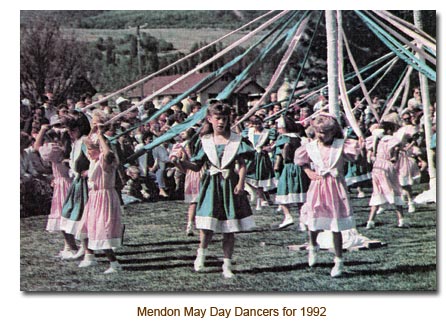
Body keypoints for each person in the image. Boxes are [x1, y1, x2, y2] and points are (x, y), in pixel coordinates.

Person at [174, 102, 256, 278]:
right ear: (210, 119)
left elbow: (242, 164)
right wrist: (180, 162)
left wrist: (241, 182)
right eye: (218, 119)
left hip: (229, 185)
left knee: (229, 227)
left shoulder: (236, 140)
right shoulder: (204, 141)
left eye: (224, 119)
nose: (221, 122)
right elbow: (196, 166)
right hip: (211, 186)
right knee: (207, 226)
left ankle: (227, 264)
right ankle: (201, 255)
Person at [294, 113, 362, 277]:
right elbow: (300, 161)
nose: (322, 136)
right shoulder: (310, 147)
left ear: (333, 132)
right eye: (319, 133)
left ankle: (338, 260)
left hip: (335, 187)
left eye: (326, 133)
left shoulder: (340, 145)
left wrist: (361, 148)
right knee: (314, 221)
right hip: (318, 186)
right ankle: (312, 245)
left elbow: (354, 158)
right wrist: (308, 171)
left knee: (335, 225)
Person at [75, 124, 123, 274]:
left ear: (99, 149)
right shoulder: (93, 161)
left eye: (91, 150)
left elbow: (107, 152)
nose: (88, 152)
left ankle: (114, 263)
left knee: (103, 230)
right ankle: (89, 256)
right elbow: (86, 143)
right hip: (95, 198)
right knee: (87, 226)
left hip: (105, 198)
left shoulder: (105, 160)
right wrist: (94, 130)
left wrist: (101, 135)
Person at [34, 123, 73, 257]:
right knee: (69, 216)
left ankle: (71, 246)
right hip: (70, 182)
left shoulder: (55, 149)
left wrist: (43, 129)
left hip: (63, 184)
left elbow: (36, 147)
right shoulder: (69, 147)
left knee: (63, 216)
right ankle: (68, 245)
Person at [59, 112, 91, 259]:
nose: (69, 133)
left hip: (85, 185)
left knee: (81, 215)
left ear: (78, 128)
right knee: (68, 213)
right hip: (76, 184)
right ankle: (76, 247)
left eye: (71, 130)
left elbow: (97, 160)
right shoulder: (76, 142)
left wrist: (89, 172)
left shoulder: (85, 141)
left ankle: (86, 248)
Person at [365, 122, 408, 229]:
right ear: (389, 130)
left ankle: (370, 221)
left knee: (377, 191)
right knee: (395, 189)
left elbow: (369, 147)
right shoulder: (392, 139)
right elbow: (396, 151)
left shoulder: (377, 139)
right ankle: (401, 220)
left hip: (377, 166)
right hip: (387, 165)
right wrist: (395, 155)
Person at [274, 116, 309, 229]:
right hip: (299, 167)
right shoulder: (298, 138)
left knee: (282, 192)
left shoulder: (283, 138)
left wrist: (277, 166)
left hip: (288, 167)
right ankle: (302, 221)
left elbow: (282, 152)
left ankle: (288, 216)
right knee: (300, 195)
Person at [170, 128, 202, 236]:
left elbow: (174, 160)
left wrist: (182, 169)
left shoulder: (182, 146)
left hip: (191, 174)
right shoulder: (201, 143)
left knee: (193, 201)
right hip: (202, 172)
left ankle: (190, 225)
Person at [244, 115, 275, 211]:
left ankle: (263, 198)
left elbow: (272, 143)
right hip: (251, 157)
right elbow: (243, 140)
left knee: (260, 178)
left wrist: (268, 148)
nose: (257, 126)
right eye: (254, 124)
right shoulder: (249, 132)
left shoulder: (267, 132)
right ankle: (262, 197)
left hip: (262, 157)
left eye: (258, 123)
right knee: (247, 176)